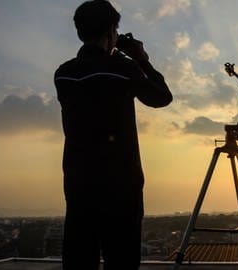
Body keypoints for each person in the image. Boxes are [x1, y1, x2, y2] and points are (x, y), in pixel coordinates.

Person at [53, 1, 172, 269]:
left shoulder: (64, 74)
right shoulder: (123, 69)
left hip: (79, 184)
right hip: (121, 186)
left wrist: (115, 54)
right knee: (122, 260)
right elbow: (161, 97)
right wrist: (140, 58)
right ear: (110, 32)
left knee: (80, 259)